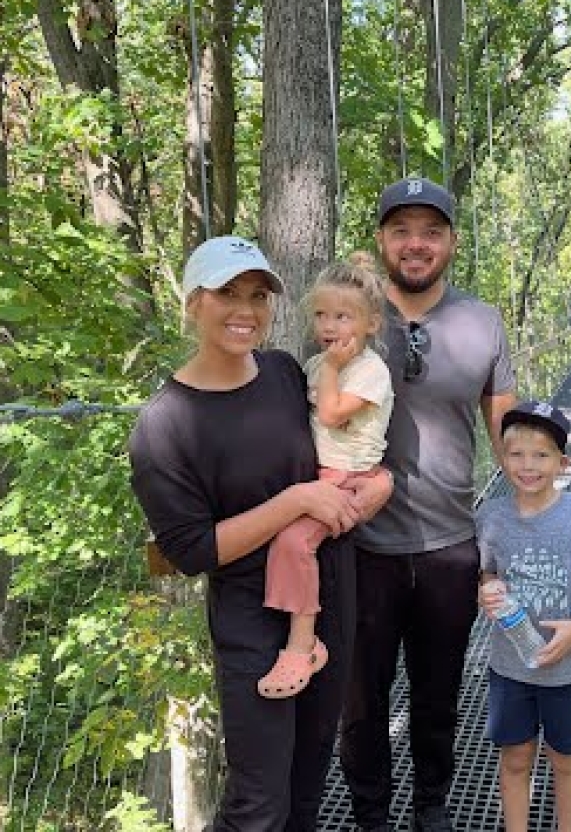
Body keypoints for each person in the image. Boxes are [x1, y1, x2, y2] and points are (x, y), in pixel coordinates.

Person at [128, 235, 392, 832]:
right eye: (227, 293)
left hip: (329, 596)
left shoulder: (281, 372)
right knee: (258, 802)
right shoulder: (163, 427)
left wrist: (383, 484)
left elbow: (343, 446)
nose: (245, 310)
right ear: (193, 302)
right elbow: (191, 550)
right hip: (252, 617)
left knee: (307, 784)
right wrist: (294, 501)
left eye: (257, 295)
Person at [339, 177, 518, 832]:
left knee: (438, 694)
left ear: (452, 242)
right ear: (382, 240)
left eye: (432, 231)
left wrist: (547, 513)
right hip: (359, 546)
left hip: (449, 547)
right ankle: (370, 815)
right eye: (402, 230)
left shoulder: (483, 322)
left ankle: (431, 806)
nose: (417, 244)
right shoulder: (346, 316)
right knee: (359, 703)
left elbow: (509, 435)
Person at [477, 401, 571, 832]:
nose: (528, 466)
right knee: (515, 757)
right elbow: (487, 573)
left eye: (541, 455)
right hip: (510, 666)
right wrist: (487, 590)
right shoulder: (490, 517)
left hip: (570, 668)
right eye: (516, 454)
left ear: (562, 462)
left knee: (565, 759)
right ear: (502, 459)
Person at [258, 261, 394, 698]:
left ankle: (303, 644)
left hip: (349, 479)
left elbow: (333, 414)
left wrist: (333, 368)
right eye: (321, 315)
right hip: (319, 477)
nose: (329, 325)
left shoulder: (370, 369)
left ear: (371, 323)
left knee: (295, 543)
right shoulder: (317, 364)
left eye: (343, 316)